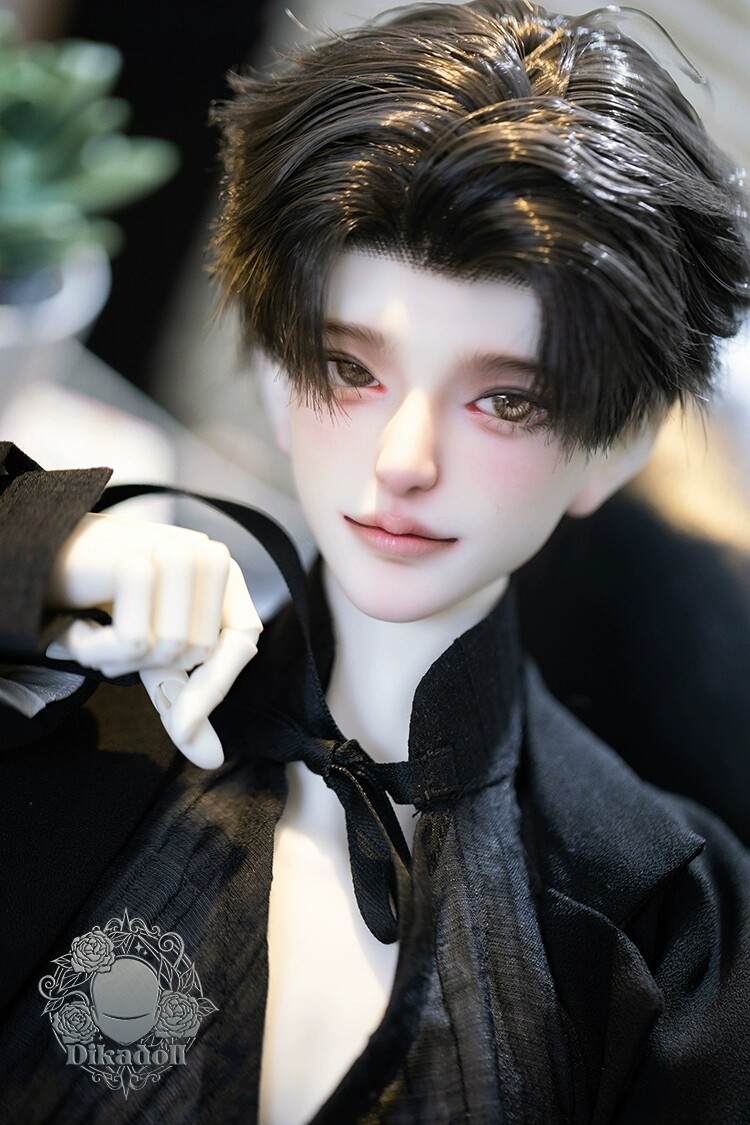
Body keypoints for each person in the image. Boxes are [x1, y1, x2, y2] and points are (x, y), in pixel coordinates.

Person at [1, 2, 749, 1122]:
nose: (405, 460)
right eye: (352, 370)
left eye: (507, 399)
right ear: (273, 369)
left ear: (616, 446)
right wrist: (39, 550)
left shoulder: (676, 931)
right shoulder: (75, 687)